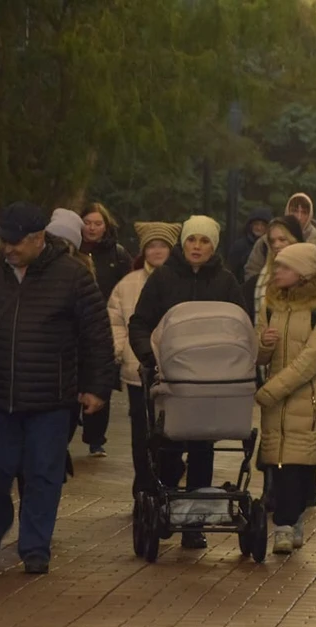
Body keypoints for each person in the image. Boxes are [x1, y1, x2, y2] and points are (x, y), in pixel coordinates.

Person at [0, 202, 116, 575]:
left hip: (52, 396)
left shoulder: (73, 276)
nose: (8, 249)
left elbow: (97, 336)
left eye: (16, 242)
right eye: (4, 241)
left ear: (38, 239)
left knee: (43, 473)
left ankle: (35, 546)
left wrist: (97, 387)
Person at [128, 215, 245, 550]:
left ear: (213, 246)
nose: (197, 247)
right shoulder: (164, 278)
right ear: (183, 243)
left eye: (204, 241)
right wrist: (148, 358)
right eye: (192, 240)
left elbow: (239, 325)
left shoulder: (225, 282)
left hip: (210, 381)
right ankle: (165, 508)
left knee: (202, 448)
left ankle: (193, 522)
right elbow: (140, 322)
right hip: (170, 378)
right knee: (166, 447)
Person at [255, 243, 316, 554]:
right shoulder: (270, 305)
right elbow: (260, 354)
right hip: (277, 404)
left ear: (302, 272)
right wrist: (263, 343)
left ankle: (289, 522)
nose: (277, 272)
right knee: (279, 465)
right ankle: (287, 524)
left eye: (284, 267)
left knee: (301, 467)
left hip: (309, 400)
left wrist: (271, 390)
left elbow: (311, 359)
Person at [107, 222, 181, 497]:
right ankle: (144, 486)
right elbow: (114, 319)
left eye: (162, 245)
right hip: (137, 370)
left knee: (173, 430)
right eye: (152, 245)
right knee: (141, 431)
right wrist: (121, 348)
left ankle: (169, 480)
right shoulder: (128, 284)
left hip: (176, 370)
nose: (157, 250)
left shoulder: (180, 279)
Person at [78, 202, 131, 457]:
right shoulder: (70, 250)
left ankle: (96, 437)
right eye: (88, 223)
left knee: (102, 380)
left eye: (97, 223)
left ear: (106, 226)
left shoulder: (117, 255)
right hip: (76, 323)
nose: (92, 228)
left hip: (107, 324)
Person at [244, 193, 316, 280]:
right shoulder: (266, 241)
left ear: (310, 215)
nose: (299, 217)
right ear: (287, 210)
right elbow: (252, 271)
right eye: (294, 211)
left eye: (304, 212)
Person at [243, 216, 305, 328]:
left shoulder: (315, 281)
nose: (276, 245)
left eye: (282, 240)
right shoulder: (255, 284)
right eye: (272, 241)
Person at [228, 208, 271, 283]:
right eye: (256, 224)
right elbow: (231, 271)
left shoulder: (273, 246)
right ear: (250, 225)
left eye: (263, 225)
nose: (259, 228)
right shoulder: (239, 246)